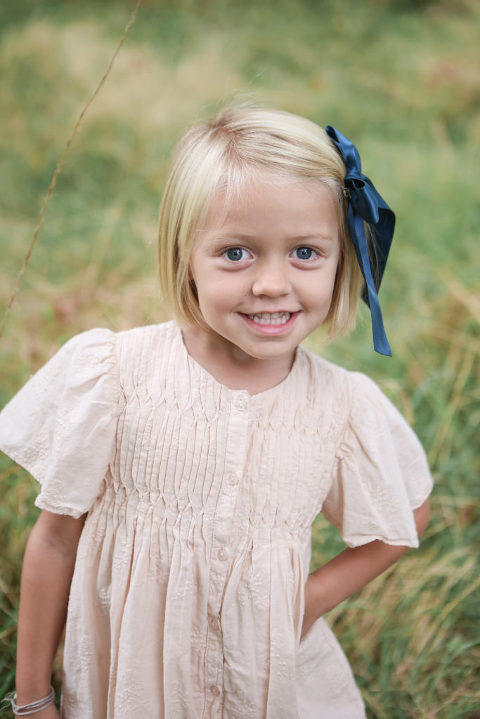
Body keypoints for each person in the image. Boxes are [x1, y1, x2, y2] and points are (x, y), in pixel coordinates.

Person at [0, 105, 432, 718]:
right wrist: (33, 696)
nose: (272, 284)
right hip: (133, 681)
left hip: (266, 682)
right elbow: (56, 542)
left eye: (306, 252)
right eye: (236, 254)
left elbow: (404, 517)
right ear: (185, 256)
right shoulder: (116, 375)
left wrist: (303, 603)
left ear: (344, 261)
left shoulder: (342, 404)